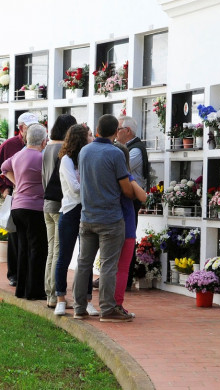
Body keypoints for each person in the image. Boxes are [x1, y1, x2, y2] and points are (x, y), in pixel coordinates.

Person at [73, 114, 134, 322]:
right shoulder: (115, 153)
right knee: (108, 265)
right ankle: (107, 309)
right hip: (110, 218)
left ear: (97, 130)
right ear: (116, 132)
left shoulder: (84, 151)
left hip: (87, 216)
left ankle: (79, 307)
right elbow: (126, 187)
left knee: (84, 263)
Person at [0, 112, 39, 287]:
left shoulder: (40, 144)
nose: (32, 130)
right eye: (29, 127)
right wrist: (3, 188)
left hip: (34, 198)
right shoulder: (11, 145)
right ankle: (14, 274)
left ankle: (30, 273)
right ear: (21, 128)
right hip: (16, 196)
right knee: (14, 235)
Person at [53, 124, 98, 317]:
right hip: (71, 211)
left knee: (86, 259)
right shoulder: (66, 160)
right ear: (80, 138)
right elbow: (74, 188)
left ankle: (86, 300)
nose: (92, 137)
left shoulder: (87, 157)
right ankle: (61, 299)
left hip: (87, 210)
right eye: (89, 135)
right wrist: (94, 187)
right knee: (64, 256)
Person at [1, 124, 48, 300]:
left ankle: (21, 289)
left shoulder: (18, 155)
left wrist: (17, 183)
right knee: (37, 248)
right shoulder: (40, 157)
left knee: (23, 248)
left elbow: (4, 169)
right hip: (34, 207)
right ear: (43, 141)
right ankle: (34, 291)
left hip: (18, 207)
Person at [42, 114, 77, 308]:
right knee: (58, 251)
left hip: (47, 203)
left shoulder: (46, 148)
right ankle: (56, 295)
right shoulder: (62, 150)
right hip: (59, 204)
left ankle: (49, 293)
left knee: (51, 251)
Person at [114, 115, 149, 291]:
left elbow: (118, 170)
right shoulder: (127, 147)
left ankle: (125, 280)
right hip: (125, 198)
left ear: (127, 131)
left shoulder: (134, 150)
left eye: (118, 129)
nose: (115, 132)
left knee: (128, 238)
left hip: (131, 200)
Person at [112, 142, 147, 317]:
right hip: (126, 227)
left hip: (107, 226)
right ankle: (116, 304)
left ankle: (106, 303)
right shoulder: (126, 176)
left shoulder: (105, 177)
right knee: (123, 268)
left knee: (108, 267)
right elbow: (143, 196)